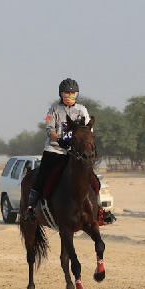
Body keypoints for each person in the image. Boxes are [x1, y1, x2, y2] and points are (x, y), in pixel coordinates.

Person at [22, 78, 90, 222]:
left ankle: (101, 210)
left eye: (73, 95)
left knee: (92, 178)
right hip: (55, 150)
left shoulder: (82, 110)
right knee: (42, 176)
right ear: (61, 94)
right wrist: (59, 140)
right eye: (67, 94)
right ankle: (30, 208)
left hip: (75, 153)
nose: (70, 97)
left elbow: (87, 130)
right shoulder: (54, 110)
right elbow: (50, 130)